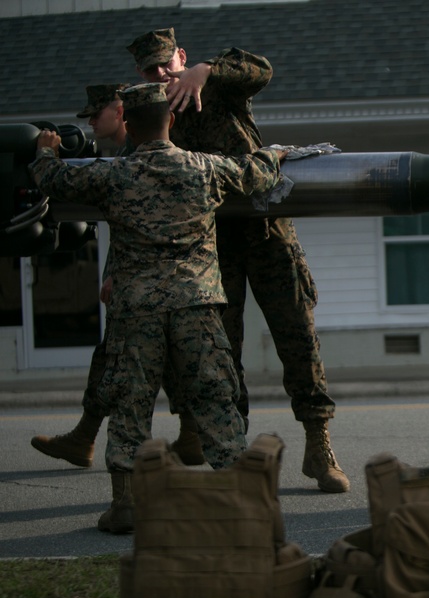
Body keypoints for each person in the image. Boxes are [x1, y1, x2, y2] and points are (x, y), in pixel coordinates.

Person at [29, 82, 289, 532]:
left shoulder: (113, 175)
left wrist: (46, 151)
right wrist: (276, 153)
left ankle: (126, 504)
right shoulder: (204, 168)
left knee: (132, 402)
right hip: (196, 304)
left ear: (128, 124)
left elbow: (52, 179)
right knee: (214, 398)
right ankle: (241, 501)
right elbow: (256, 173)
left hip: (137, 309)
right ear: (170, 120)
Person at [126, 27, 348, 492]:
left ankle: (318, 445)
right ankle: (237, 456)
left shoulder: (215, 83)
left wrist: (206, 71)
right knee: (222, 355)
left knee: (298, 339)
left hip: (268, 232)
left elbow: (261, 70)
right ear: (141, 73)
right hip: (212, 244)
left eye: (169, 63)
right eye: (153, 69)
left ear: (180, 55)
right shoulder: (150, 112)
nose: (164, 74)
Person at [30, 83, 207, 469]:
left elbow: (139, 224)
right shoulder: (136, 150)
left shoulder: (140, 154)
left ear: (121, 109)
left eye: (98, 112)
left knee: (123, 362)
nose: (92, 120)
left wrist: (45, 152)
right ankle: (182, 434)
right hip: (170, 285)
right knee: (152, 358)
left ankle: (96, 444)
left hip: (148, 286)